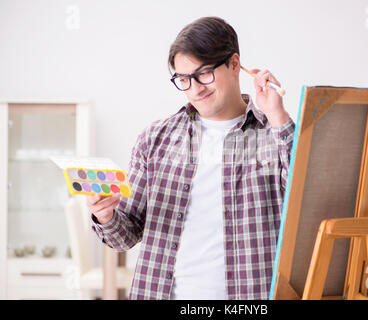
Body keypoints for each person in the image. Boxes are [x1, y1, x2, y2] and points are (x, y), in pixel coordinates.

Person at [87, 16, 295, 300]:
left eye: (204, 74)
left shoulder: (273, 134)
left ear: (234, 64)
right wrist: (106, 215)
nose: (196, 88)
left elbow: (306, 197)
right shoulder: (155, 139)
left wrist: (277, 115)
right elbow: (126, 235)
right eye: (184, 79)